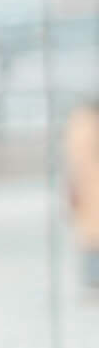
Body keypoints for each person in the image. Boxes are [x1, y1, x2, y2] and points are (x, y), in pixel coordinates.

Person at [67, 98, 99, 291]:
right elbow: (76, 160)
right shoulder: (83, 122)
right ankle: (93, 279)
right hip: (88, 188)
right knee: (90, 237)